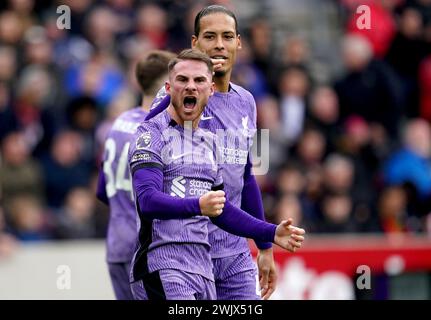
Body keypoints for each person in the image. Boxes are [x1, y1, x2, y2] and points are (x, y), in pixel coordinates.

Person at [128, 49, 305, 300]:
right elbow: (147, 201)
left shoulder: (210, 142)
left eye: (199, 81)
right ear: (168, 88)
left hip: (202, 271)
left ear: (211, 90)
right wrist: (198, 205)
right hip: (163, 266)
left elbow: (221, 209)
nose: (191, 87)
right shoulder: (150, 134)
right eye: (183, 80)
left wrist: (270, 233)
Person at [146, 5, 281, 299]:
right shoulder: (176, 95)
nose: (219, 44)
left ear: (239, 42)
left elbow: (247, 178)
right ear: (195, 43)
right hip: (185, 253)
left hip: (234, 255)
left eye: (227, 36)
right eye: (210, 36)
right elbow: (146, 144)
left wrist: (265, 247)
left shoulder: (248, 102)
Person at [96, 50, 176, 300]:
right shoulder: (156, 132)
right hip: (145, 251)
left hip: (117, 245)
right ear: (167, 83)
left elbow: (102, 190)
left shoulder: (119, 122)